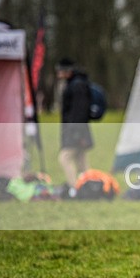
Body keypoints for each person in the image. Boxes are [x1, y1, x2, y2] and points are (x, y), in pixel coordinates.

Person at [56, 58, 93, 189]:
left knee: (65, 158)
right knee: (81, 161)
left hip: (76, 131)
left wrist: (78, 134)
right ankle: (89, 187)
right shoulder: (74, 84)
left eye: (60, 70)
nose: (58, 73)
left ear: (67, 71)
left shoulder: (77, 86)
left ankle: (74, 187)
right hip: (76, 130)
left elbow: (80, 112)